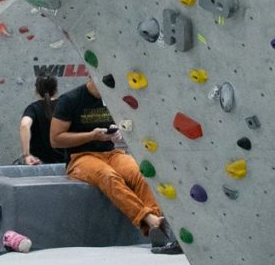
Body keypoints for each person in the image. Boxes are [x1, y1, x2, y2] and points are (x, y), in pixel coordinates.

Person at [22, 69, 181, 254]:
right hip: (80, 157)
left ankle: (158, 229)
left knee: (139, 172)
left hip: (110, 152)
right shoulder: (70, 100)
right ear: (91, 76)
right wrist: (91, 136)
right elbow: (56, 139)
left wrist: (119, 133)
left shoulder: (113, 97)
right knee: (108, 176)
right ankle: (151, 220)